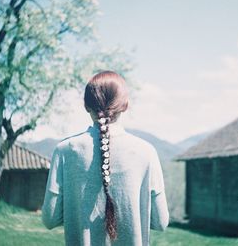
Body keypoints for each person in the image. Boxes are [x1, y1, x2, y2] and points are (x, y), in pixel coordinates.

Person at [42, 71, 169, 246]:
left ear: (86, 106)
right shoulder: (147, 152)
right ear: (125, 105)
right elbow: (161, 223)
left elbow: (50, 220)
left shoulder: (64, 151)